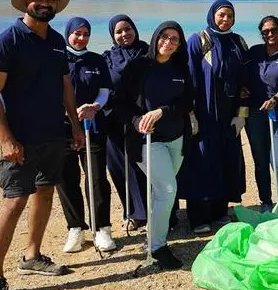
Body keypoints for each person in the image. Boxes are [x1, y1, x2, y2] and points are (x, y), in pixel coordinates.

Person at [0, 0, 84, 290]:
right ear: (25, 2)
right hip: (20, 139)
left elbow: (65, 84)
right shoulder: (6, 42)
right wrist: (6, 138)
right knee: (14, 201)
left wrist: (74, 124)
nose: (44, 2)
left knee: (45, 191)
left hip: (53, 133)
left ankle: (32, 255)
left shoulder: (55, 42)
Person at [118, 21, 193, 270]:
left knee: (159, 191)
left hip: (176, 138)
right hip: (146, 140)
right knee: (168, 189)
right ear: (155, 37)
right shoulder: (139, 66)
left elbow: (186, 101)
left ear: (179, 44)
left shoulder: (181, 67)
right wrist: (138, 119)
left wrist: (162, 111)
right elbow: (120, 103)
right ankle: (157, 247)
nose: (168, 42)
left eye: (174, 39)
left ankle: (152, 236)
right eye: (164, 36)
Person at [179, 0, 248, 234]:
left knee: (226, 161)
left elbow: (245, 83)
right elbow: (189, 78)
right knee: (201, 161)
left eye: (229, 15)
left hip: (229, 116)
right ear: (212, 15)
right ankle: (198, 217)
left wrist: (242, 114)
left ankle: (219, 212)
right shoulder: (198, 41)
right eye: (221, 15)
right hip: (205, 114)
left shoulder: (238, 42)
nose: (225, 19)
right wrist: (191, 114)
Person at [57, 17, 116, 253]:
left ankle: (102, 228)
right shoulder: (57, 59)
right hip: (62, 127)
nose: (81, 38)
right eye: (77, 33)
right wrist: (70, 113)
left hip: (92, 126)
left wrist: (94, 106)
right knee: (66, 178)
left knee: (96, 177)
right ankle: (75, 228)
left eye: (86, 34)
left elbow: (104, 92)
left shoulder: (96, 60)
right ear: (68, 34)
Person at [244, 16, 278, 212]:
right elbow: (241, 73)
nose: (270, 34)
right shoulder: (254, 52)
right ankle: (266, 201)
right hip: (255, 113)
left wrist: (275, 99)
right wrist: (242, 88)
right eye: (265, 31)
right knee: (260, 160)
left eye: (274, 30)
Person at [102, 14, 148, 229]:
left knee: (143, 166)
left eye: (127, 29)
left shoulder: (148, 53)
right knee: (119, 167)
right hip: (114, 120)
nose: (124, 34)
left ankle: (153, 211)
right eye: (118, 32)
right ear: (113, 35)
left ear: (135, 29)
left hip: (142, 119)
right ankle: (132, 212)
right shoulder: (108, 58)